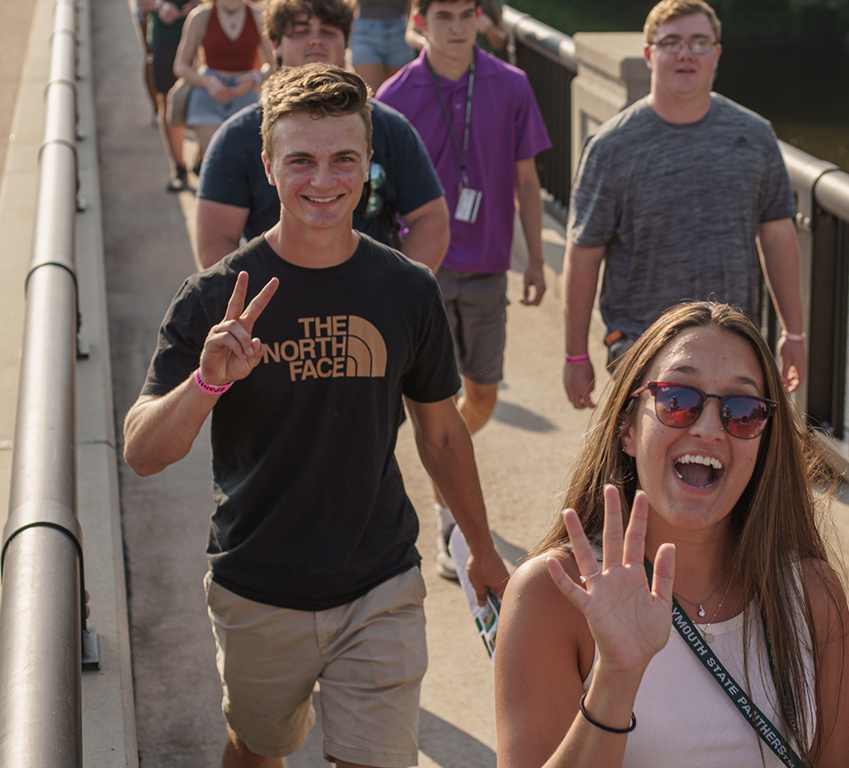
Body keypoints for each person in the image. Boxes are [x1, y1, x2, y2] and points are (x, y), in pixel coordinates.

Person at [123, 64, 508, 768]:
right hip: (259, 584)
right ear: (267, 165)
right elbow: (143, 451)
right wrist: (206, 384)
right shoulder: (213, 297)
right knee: (258, 749)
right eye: (300, 159)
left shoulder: (407, 289)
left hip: (380, 582)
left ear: (369, 166)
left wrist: (481, 550)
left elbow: (441, 431)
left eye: (343, 160)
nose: (322, 180)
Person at [495, 301, 849, 768]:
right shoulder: (552, 593)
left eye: (743, 411)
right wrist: (616, 679)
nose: (709, 429)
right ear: (627, 428)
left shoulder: (813, 595)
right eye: (677, 400)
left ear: (765, 442)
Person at [376, 0, 550, 578]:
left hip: (489, 265)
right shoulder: (393, 98)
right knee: (437, 401)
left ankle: (439, 459)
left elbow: (528, 180)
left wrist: (536, 261)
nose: (456, 26)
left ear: (480, 18)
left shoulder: (512, 85)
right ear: (420, 19)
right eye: (443, 14)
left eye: (466, 14)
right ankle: (449, 510)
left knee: (482, 398)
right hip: (421, 267)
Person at [562, 0, 807, 411]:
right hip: (642, 348)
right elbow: (584, 253)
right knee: (646, 468)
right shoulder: (610, 148)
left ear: (716, 53)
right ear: (648, 54)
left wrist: (793, 335)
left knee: (729, 469)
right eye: (670, 42)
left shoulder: (754, 135)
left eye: (698, 42)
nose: (685, 53)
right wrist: (574, 355)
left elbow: (778, 234)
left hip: (734, 347)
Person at [195, 0, 449, 271]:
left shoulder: (389, 127)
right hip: (272, 299)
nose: (315, 41)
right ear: (275, 44)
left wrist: (398, 297)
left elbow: (431, 220)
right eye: (301, 30)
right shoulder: (237, 138)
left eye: (328, 31)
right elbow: (215, 242)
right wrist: (260, 307)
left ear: (347, 40)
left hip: (369, 298)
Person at [173, 0, 275, 158]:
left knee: (243, 158)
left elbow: (274, 65)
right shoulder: (200, 16)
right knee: (214, 157)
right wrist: (207, 82)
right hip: (208, 93)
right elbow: (181, 66)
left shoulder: (258, 16)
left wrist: (255, 79)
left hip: (245, 94)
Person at [139, 0, 200, 190]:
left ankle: (203, 158)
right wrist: (159, 6)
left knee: (204, 98)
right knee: (168, 100)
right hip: (165, 36)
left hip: (204, 32)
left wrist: (199, 5)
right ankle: (179, 167)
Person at [350, 0, 415, 94]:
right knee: (369, 94)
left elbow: (412, 5)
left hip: (400, 31)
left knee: (396, 93)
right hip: (365, 31)